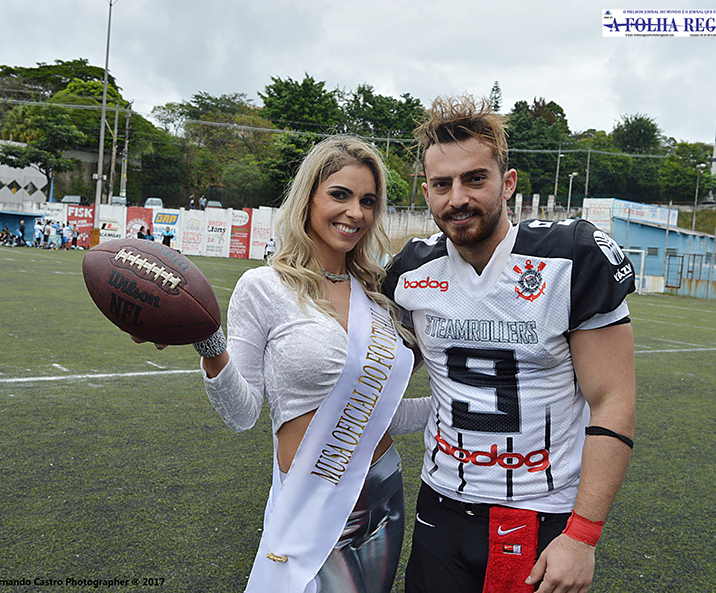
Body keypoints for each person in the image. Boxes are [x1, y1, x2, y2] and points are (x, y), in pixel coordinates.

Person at [136, 135, 428, 593]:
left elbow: (379, 415)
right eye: (340, 195)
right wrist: (207, 341)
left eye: (368, 201)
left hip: (381, 492)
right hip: (311, 496)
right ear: (308, 198)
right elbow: (241, 413)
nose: (355, 212)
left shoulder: (380, 296)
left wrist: (462, 408)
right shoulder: (264, 287)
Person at [383, 96, 637, 593]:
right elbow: (380, 370)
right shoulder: (411, 270)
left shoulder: (570, 258)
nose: (458, 198)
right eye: (442, 184)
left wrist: (582, 536)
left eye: (475, 178)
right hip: (441, 507)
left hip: (538, 512)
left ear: (508, 182)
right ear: (427, 192)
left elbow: (613, 400)